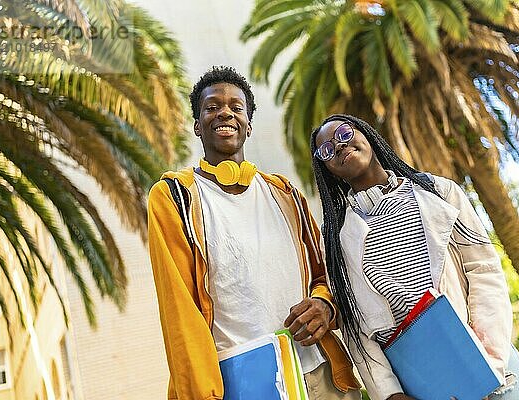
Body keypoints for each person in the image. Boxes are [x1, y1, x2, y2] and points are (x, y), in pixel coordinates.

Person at [147, 67, 361, 400]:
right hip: (244, 384)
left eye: (236, 107)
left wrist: (323, 305)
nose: (225, 112)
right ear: (197, 126)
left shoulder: (286, 193)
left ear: (248, 125)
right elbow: (180, 311)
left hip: (320, 373)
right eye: (212, 107)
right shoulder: (174, 197)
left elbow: (326, 274)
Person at [309, 113, 519, 400]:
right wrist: (391, 395)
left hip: (488, 358)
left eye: (344, 133)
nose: (339, 146)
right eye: (327, 150)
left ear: (365, 133)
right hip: (421, 386)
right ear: (328, 169)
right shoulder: (336, 242)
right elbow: (357, 330)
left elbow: (483, 269)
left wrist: (485, 357)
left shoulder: (439, 191)